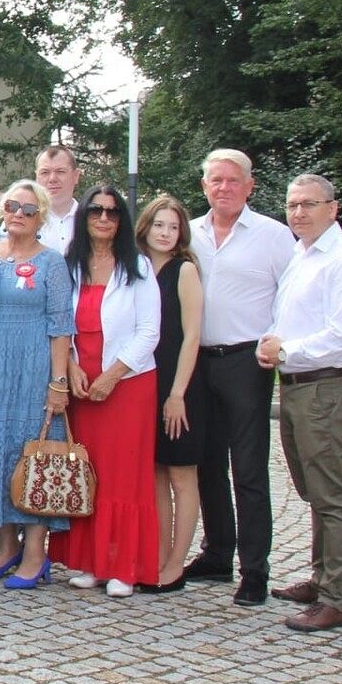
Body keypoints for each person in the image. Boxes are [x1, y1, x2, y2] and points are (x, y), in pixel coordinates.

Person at [260, 175, 342, 633]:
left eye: (309, 204)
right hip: (297, 384)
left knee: (331, 492)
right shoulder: (302, 255)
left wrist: (285, 350)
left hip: (327, 385)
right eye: (292, 205)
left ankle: (337, 599)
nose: (298, 213)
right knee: (313, 488)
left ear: (334, 208)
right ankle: (321, 577)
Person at [185, 147, 295, 606]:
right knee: (206, 461)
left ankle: (255, 570)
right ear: (204, 186)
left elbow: (291, 297)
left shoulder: (274, 236)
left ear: (249, 186)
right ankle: (217, 553)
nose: (223, 188)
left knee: (247, 468)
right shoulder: (189, 233)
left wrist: (279, 342)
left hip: (247, 362)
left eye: (233, 181)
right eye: (215, 180)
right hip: (198, 361)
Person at [49, 185, 161, 597]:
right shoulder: (70, 265)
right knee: (87, 471)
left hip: (127, 383)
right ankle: (90, 561)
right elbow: (62, 322)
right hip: (82, 383)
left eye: (112, 213)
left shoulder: (140, 267)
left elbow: (150, 331)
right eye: (96, 210)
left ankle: (124, 566)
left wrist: (113, 375)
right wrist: (73, 367)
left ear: (122, 221)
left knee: (124, 476)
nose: (103, 218)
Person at [0, 180, 74, 588]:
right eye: (13, 205)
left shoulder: (52, 262)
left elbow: (61, 325)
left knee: (33, 458)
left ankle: (34, 554)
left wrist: (58, 382)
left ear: (41, 216)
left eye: (29, 209)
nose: (19, 214)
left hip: (33, 368)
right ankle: (5, 547)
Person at [137, 192, 204, 593]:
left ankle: (177, 563)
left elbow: (192, 336)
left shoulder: (184, 272)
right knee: (157, 474)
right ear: (146, 227)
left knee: (182, 474)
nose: (165, 232)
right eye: (159, 224)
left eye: (173, 226)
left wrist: (177, 393)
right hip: (146, 381)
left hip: (180, 386)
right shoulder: (138, 267)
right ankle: (158, 557)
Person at [35, 144, 81, 254]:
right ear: (36, 177)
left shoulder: (91, 220)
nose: (52, 179)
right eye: (45, 172)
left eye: (60, 171)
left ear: (76, 176)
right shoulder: (22, 219)